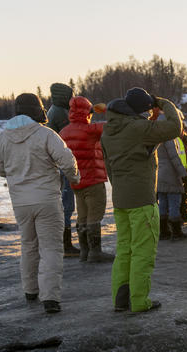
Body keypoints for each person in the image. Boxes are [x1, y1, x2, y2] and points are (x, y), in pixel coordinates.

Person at [0, 93, 80, 314]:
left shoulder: (4, 137)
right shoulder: (46, 134)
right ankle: (50, 297)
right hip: (47, 200)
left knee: (28, 245)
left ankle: (30, 291)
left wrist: (16, 175)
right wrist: (74, 177)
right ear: (37, 110)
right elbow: (67, 160)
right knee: (50, 247)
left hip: (20, 202)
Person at [100, 87, 184, 313]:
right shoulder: (138, 128)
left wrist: (121, 188)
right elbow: (176, 128)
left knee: (124, 250)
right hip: (142, 200)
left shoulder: (109, 131)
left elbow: (109, 166)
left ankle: (121, 299)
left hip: (120, 200)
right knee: (143, 252)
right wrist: (164, 102)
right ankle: (139, 302)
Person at [58, 96, 114, 263]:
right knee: (94, 215)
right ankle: (95, 251)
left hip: (76, 182)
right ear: (87, 112)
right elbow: (114, 126)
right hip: (93, 180)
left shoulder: (63, 132)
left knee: (81, 214)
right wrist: (106, 110)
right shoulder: (91, 130)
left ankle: (84, 251)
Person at [45, 82, 79, 257]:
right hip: (61, 165)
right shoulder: (59, 113)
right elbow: (71, 133)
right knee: (66, 205)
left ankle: (63, 243)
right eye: (70, 95)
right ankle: (65, 245)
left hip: (55, 163)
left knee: (64, 204)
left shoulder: (54, 111)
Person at [156, 116, 187, 241]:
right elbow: (174, 158)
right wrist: (183, 174)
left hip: (159, 174)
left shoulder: (155, 137)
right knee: (174, 203)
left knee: (163, 204)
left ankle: (163, 231)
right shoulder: (169, 139)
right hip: (170, 174)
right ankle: (176, 231)